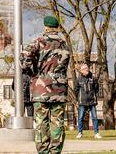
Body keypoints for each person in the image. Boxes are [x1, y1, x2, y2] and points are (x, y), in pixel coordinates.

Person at [21, 15, 71, 154]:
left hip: (41, 88)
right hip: (59, 90)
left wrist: (31, 72)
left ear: (46, 27)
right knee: (57, 122)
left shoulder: (39, 41)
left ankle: (43, 151)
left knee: (41, 123)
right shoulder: (64, 44)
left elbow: (24, 58)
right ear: (57, 27)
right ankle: (55, 151)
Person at [75, 63, 101, 139]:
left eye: (86, 68)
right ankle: (80, 133)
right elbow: (76, 90)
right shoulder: (78, 79)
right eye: (83, 69)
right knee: (80, 117)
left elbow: (97, 88)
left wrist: (93, 95)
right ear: (81, 71)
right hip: (82, 101)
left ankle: (96, 133)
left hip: (92, 101)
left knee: (94, 117)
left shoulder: (93, 78)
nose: (85, 70)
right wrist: (79, 98)